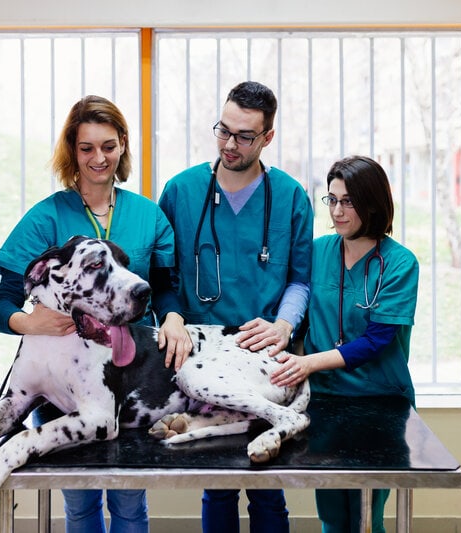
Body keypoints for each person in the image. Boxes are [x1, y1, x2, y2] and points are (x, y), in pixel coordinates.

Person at [0, 94, 192, 533]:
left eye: (109, 145)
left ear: (122, 146)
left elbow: (167, 290)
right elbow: (0, 306)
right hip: (60, 387)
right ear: (72, 152)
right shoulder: (45, 218)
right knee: (79, 507)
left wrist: (173, 318)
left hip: (132, 379)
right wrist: (27, 321)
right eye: (87, 148)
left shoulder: (148, 215)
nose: (99, 158)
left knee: (129, 503)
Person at [158, 80, 313, 533]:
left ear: (267, 138)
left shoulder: (289, 197)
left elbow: (300, 278)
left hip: (263, 356)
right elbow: (163, 278)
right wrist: (172, 317)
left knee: (268, 486)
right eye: (223, 130)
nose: (230, 144)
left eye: (244, 136)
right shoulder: (181, 192)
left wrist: (285, 325)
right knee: (218, 481)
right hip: (204, 357)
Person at [270, 155, 420, 533]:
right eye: (332, 200)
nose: (337, 211)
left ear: (372, 203)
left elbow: (377, 340)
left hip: (380, 403)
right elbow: (298, 309)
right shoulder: (318, 251)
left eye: (348, 201)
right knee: (333, 514)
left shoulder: (400, 263)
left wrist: (309, 363)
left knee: (366, 515)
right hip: (325, 400)